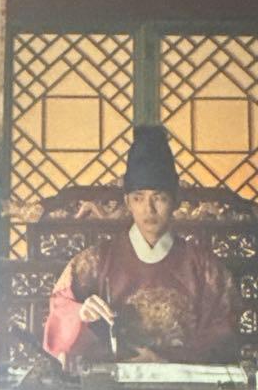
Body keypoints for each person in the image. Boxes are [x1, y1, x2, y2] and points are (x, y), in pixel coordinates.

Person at [43, 125, 236, 366]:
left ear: (175, 201)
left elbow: (223, 334)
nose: (149, 209)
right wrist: (80, 314)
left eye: (159, 198)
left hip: (182, 382)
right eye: (138, 198)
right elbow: (61, 313)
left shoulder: (205, 268)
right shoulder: (94, 262)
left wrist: (166, 360)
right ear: (127, 202)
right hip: (112, 383)